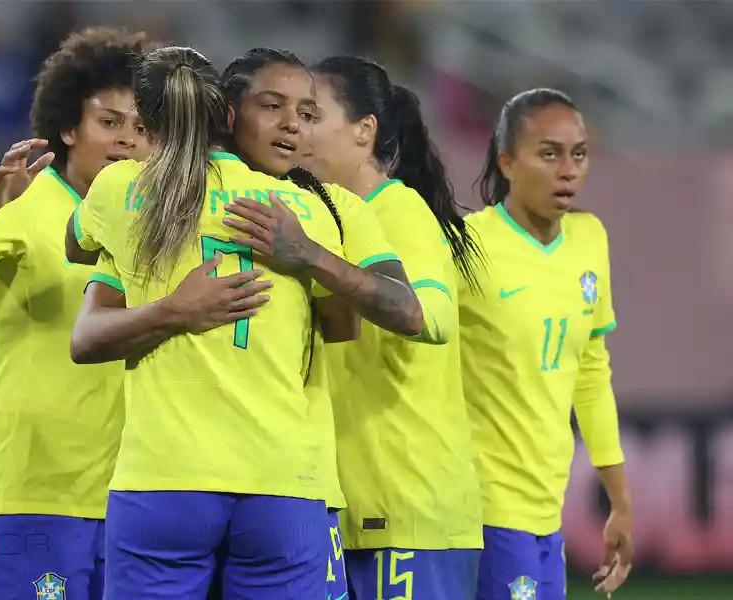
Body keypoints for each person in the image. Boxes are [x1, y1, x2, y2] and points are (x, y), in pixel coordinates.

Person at [65, 44, 416, 600]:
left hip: (164, 477)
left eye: (306, 113)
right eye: (273, 106)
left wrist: (168, 303)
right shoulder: (316, 210)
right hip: (284, 482)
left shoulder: (124, 190)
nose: (291, 126)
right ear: (227, 113)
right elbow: (351, 327)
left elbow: (75, 248)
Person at [0, 28, 151, 600]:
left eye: (142, 127)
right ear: (69, 127)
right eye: (109, 122)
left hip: (132, 493)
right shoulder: (31, 202)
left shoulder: (152, 224)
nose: (127, 141)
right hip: (32, 492)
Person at [300, 55, 485, 600]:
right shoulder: (324, 218)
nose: (296, 128)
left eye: (313, 115)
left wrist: (316, 261)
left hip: (407, 508)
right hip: (347, 508)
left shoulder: (399, 210)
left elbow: (431, 318)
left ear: (364, 131)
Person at [459, 88, 633, 600]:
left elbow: (591, 373)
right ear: (507, 161)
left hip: (544, 510)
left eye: (578, 154)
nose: (568, 170)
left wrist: (619, 502)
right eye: (549, 153)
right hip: (482, 508)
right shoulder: (468, 244)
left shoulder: (589, 239)